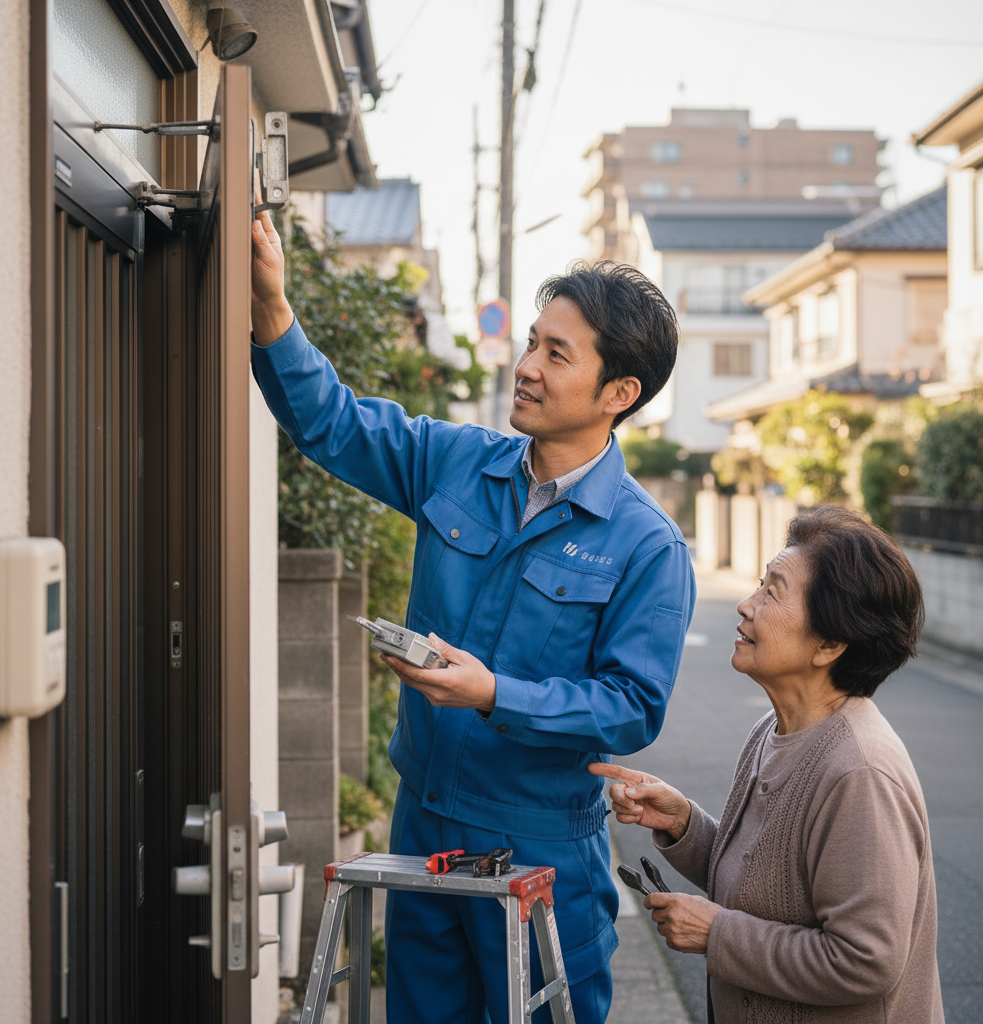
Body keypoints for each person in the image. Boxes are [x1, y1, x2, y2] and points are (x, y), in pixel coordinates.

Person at [250, 210, 695, 1022]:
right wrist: (273, 312)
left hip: (542, 852)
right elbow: (333, 424)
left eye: (556, 355)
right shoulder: (456, 462)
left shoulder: (647, 545)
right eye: (532, 342)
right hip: (424, 820)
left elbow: (633, 707)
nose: (526, 367)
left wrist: (497, 692)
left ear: (618, 393)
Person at [592, 505, 944, 1024]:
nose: (745, 604)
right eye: (759, 584)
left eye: (772, 591)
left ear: (829, 643)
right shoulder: (776, 728)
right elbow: (768, 885)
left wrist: (717, 934)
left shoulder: (859, 773)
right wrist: (684, 823)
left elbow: (866, 961)